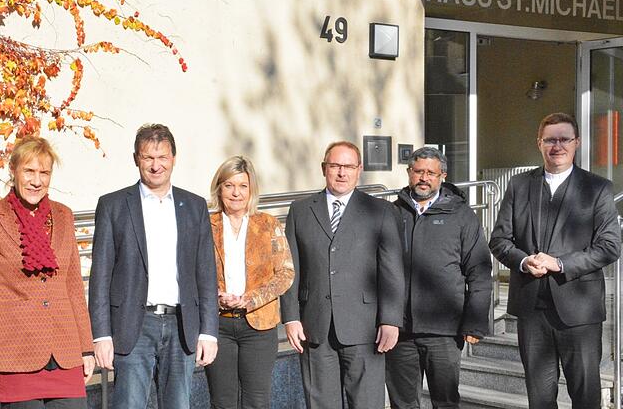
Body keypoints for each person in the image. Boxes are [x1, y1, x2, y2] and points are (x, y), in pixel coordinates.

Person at [490, 112, 621, 409]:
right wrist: (524, 262)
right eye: (550, 139)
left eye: (564, 139)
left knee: (585, 396)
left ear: (576, 143)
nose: (557, 146)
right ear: (539, 143)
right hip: (532, 310)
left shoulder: (597, 188)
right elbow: (499, 240)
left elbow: (610, 246)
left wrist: (559, 264)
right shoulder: (519, 185)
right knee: (539, 398)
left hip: (579, 312)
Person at [88, 124, 218, 409]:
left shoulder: (194, 206)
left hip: (182, 326)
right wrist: (100, 335)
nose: (156, 166)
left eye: (163, 157)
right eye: (148, 158)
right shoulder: (113, 206)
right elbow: (100, 276)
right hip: (132, 328)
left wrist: (208, 331)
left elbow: (206, 273)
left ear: (173, 158)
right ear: (136, 159)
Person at [0, 136, 95, 408]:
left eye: (44, 172)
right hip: (16, 357)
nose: (37, 181)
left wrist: (86, 347)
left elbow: (73, 287)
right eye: (29, 171)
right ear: (13, 170)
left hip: (65, 353)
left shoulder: (64, 216)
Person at [279, 141, 404, 409]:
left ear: (359, 170)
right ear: (324, 168)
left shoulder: (380, 211)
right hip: (315, 327)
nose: (341, 173)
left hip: (365, 328)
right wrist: (290, 317)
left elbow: (391, 271)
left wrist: (391, 320)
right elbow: (290, 269)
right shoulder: (300, 211)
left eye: (348, 166)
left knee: (367, 403)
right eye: (335, 165)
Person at [385, 147, 492, 409]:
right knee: (403, 403)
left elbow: (478, 270)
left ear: (442, 176)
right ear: (409, 173)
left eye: (431, 173)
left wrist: (475, 322)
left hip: (444, 330)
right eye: (418, 171)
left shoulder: (462, 216)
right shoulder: (391, 213)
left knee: (445, 402)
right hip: (399, 330)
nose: (424, 178)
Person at [204, 156, 295, 409]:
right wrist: (215, 295)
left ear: (251, 189)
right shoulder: (205, 225)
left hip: (258, 325)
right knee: (222, 402)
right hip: (218, 324)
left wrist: (250, 298)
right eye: (229, 185)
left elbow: (285, 273)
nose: (236, 193)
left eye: (243, 186)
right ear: (219, 188)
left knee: (256, 401)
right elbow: (192, 272)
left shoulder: (267, 225)